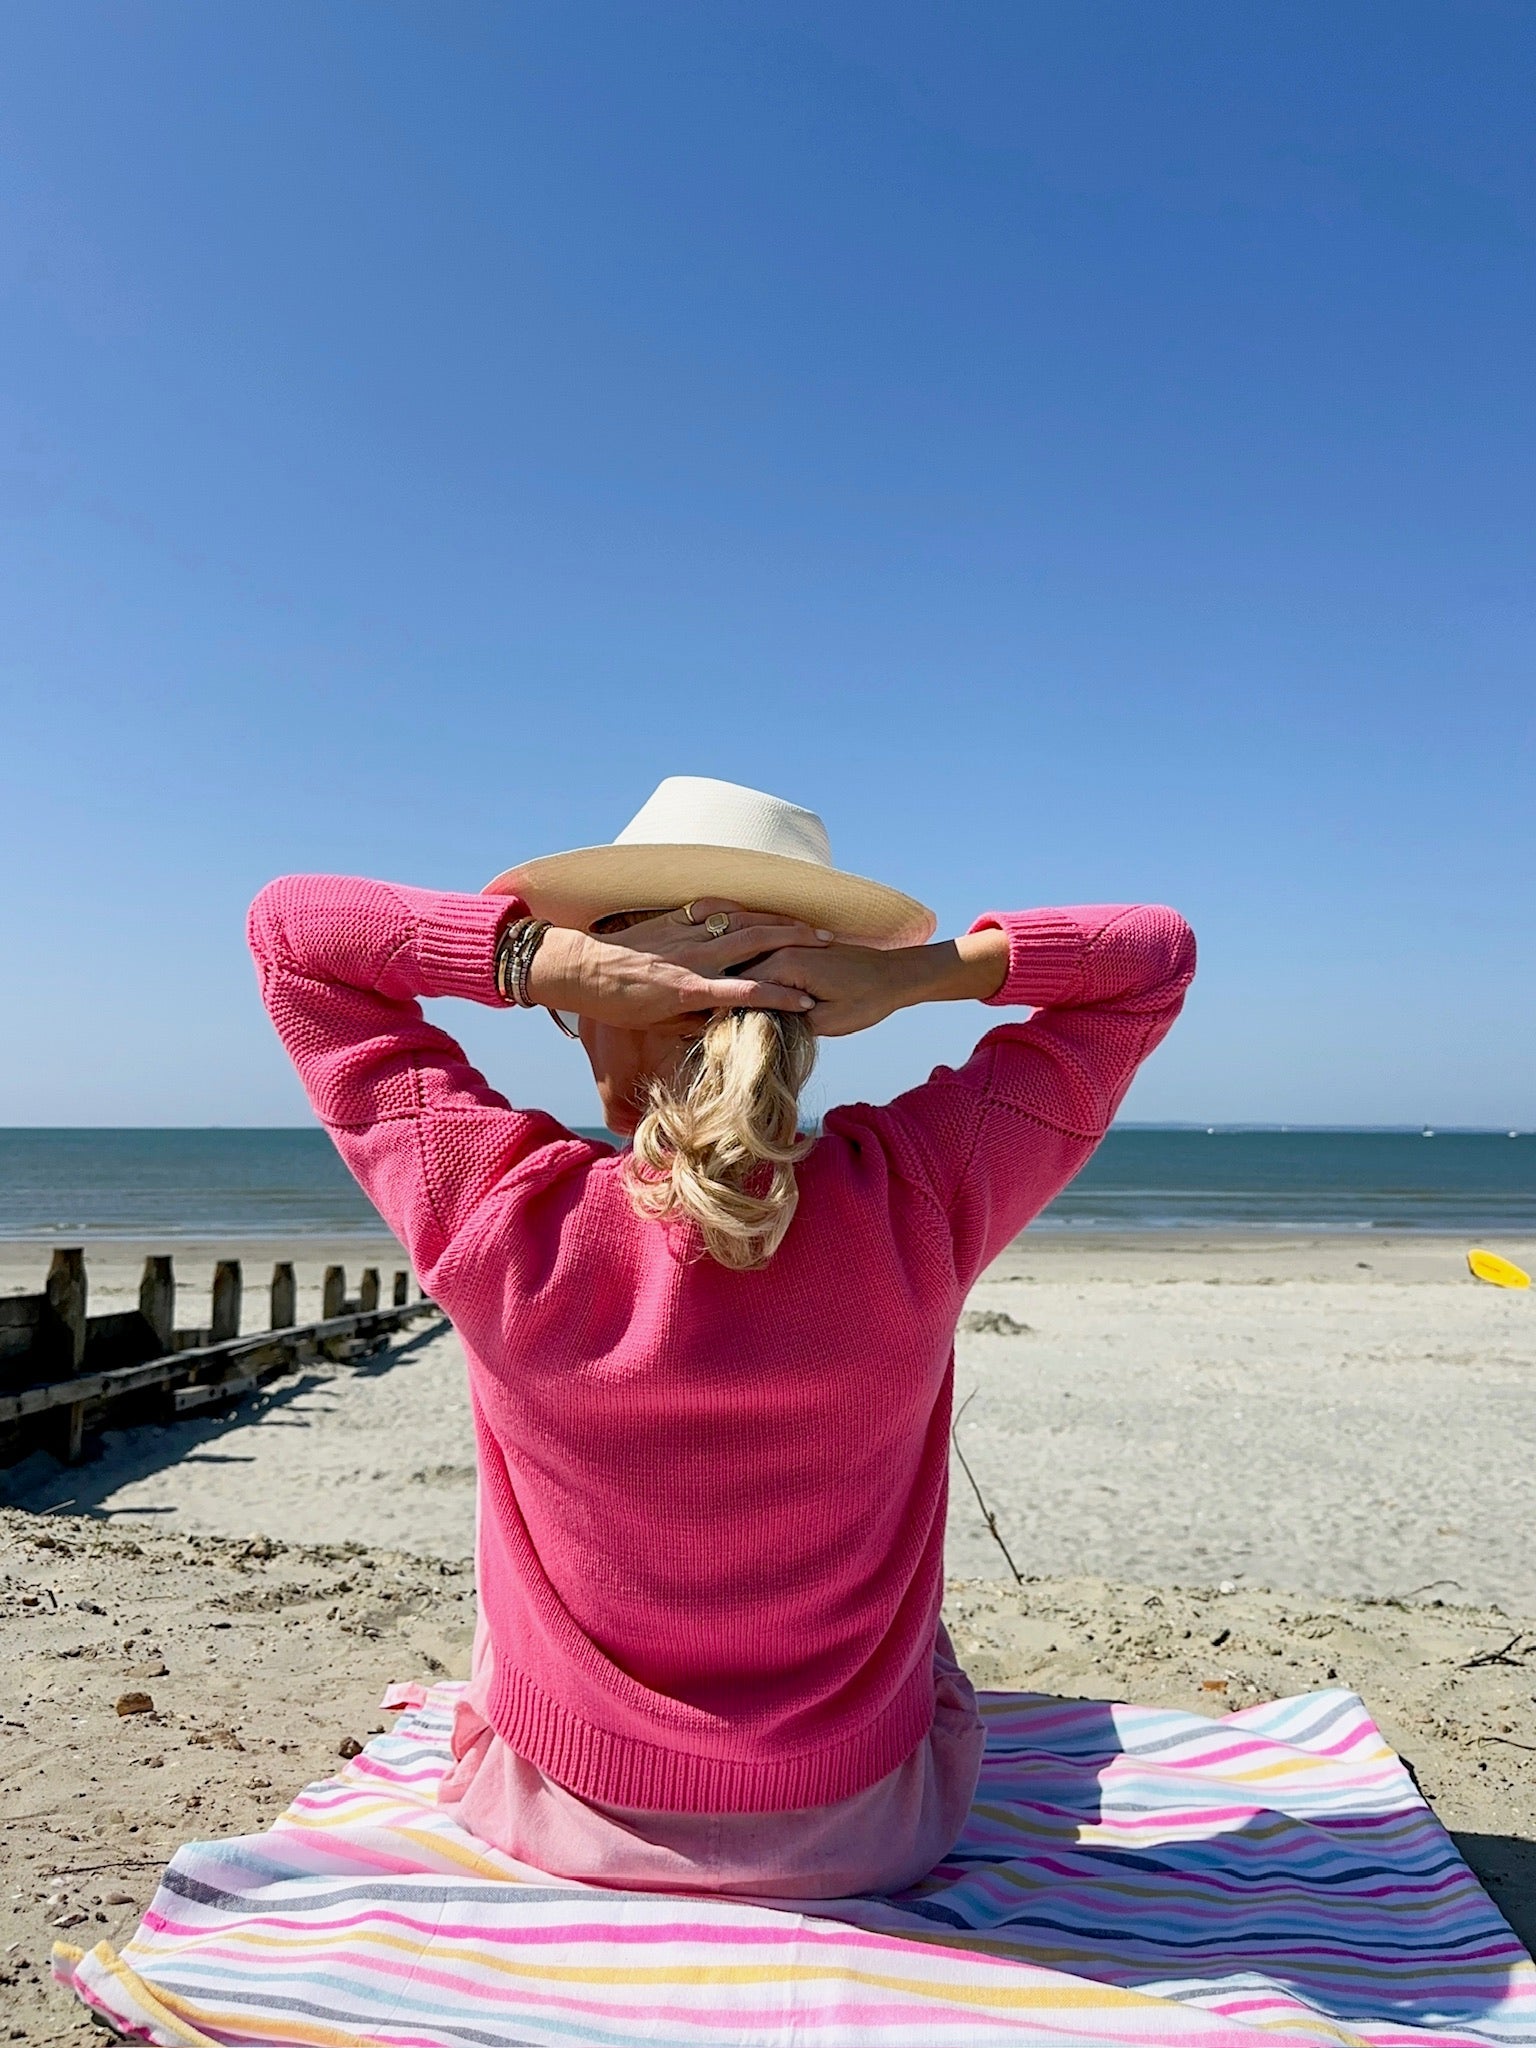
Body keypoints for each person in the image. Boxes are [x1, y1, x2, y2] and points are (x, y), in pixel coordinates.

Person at [248, 775, 1195, 1896]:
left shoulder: (498, 1210)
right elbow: (1154, 956)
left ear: (609, 996)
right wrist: (921, 976)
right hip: (873, 1825)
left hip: (556, 1813)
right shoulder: (921, 1193)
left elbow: (293, 933)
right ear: (814, 1015)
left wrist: (518, 962)